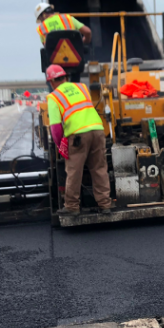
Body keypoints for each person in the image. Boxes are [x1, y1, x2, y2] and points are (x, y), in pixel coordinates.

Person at [45, 64, 111, 216]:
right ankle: (105, 204)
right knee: (99, 168)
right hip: (98, 129)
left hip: (78, 135)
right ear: (65, 77)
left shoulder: (53, 97)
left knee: (74, 170)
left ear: (51, 82)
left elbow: (55, 128)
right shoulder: (82, 87)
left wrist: (61, 146)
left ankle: (72, 207)